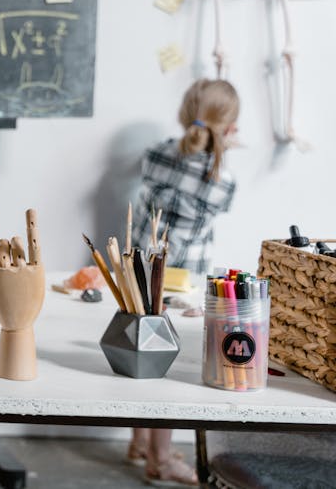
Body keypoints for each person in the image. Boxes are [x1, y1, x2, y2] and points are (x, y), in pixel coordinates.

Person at [127, 78, 240, 487]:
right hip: (180, 285)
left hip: (138, 274)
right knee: (167, 366)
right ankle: (161, 459)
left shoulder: (155, 153)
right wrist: (222, 147)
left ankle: (140, 442)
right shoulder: (221, 180)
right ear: (229, 127)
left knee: (141, 354)